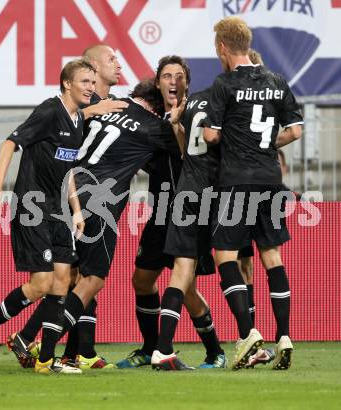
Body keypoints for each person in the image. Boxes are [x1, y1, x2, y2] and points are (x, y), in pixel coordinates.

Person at [34, 78, 184, 366]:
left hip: (65, 189)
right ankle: (43, 349)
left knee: (69, 277)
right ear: (156, 107)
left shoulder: (106, 106)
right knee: (93, 279)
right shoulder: (154, 126)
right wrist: (175, 121)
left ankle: (72, 353)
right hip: (99, 200)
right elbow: (186, 150)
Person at [0, 58, 97, 374]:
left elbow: (68, 171)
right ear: (67, 83)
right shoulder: (49, 111)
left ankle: (45, 361)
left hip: (59, 213)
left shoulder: (78, 120)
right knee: (42, 283)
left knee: (64, 282)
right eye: (85, 81)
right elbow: (9, 143)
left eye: (92, 83)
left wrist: (77, 210)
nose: (90, 88)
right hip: (33, 208)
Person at [7, 44, 128, 370]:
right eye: (111, 60)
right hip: (69, 198)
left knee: (77, 277)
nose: (117, 65)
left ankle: (71, 350)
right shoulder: (76, 106)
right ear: (87, 70)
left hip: (74, 199)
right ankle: (48, 345)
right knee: (81, 277)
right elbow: (59, 127)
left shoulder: (101, 106)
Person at [203, 16, 303, 370]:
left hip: (236, 180)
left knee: (225, 256)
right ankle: (285, 335)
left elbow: (211, 136)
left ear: (222, 47)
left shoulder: (224, 83)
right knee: (271, 256)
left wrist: (227, 137)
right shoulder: (277, 81)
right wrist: (265, 144)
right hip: (270, 178)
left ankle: (247, 333)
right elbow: (295, 130)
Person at [116, 56, 227, 370]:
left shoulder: (195, 115)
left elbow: (195, 153)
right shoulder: (149, 120)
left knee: (185, 286)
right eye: (167, 75)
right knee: (142, 280)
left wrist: (177, 122)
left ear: (187, 83)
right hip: (160, 211)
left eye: (179, 76)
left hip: (191, 210)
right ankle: (151, 347)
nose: (173, 81)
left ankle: (213, 352)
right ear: (158, 82)